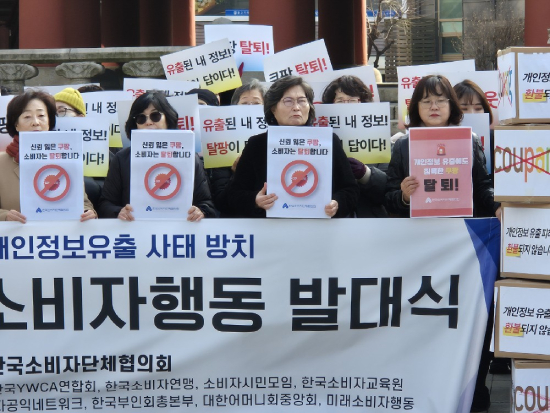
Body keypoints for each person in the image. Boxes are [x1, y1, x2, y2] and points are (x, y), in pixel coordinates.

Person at [225, 76, 359, 218]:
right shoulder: (257, 145)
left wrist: (337, 203)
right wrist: (255, 201)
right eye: (288, 101)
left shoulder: (327, 140)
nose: (296, 107)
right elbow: (232, 195)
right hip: (270, 228)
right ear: (273, 108)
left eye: (302, 101)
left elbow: (351, 189)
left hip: (320, 227)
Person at [384, 74, 501, 220]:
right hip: (418, 228)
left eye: (440, 101)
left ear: (452, 105)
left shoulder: (470, 140)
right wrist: (404, 197)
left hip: (462, 228)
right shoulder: (403, 145)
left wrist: (497, 206)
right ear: (416, 106)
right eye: (426, 101)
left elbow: (482, 186)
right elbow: (388, 198)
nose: (434, 107)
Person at [97, 90, 215, 221]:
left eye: (155, 116)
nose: (148, 122)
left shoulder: (189, 156)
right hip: (134, 229)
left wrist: (200, 211)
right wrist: (118, 212)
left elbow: (207, 204)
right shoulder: (122, 158)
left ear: (168, 119)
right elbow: (105, 204)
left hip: (178, 229)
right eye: (141, 118)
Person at [0, 90, 96, 223]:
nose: (35, 122)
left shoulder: (67, 159)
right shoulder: (2, 163)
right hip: (16, 235)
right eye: (27, 117)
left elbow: (83, 203)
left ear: (49, 121)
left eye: (41, 115)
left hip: (59, 234)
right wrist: (5, 216)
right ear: (16, 124)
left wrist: (87, 213)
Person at [322, 75, 388, 218]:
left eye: (352, 100)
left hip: (370, 220)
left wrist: (366, 174)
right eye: (340, 101)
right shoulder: (320, 142)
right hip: (332, 219)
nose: (346, 106)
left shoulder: (380, 140)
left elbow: (389, 189)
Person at [210, 80, 266, 217]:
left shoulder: (269, 143)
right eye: (245, 103)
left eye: (256, 103)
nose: (250, 108)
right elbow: (221, 202)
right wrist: (236, 174)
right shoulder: (221, 147)